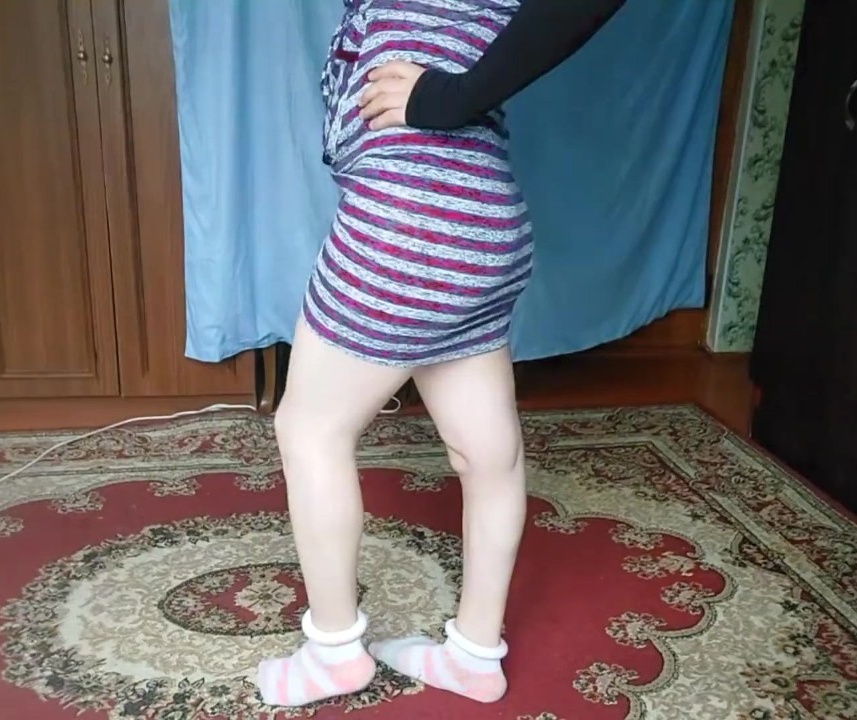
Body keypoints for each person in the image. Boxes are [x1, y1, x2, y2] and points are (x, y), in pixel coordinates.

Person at [258, 0, 626, 707]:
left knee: (309, 429)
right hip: (485, 228)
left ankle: (332, 652)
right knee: (489, 457)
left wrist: (450, 98)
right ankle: (475, 656)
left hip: (406, 226)